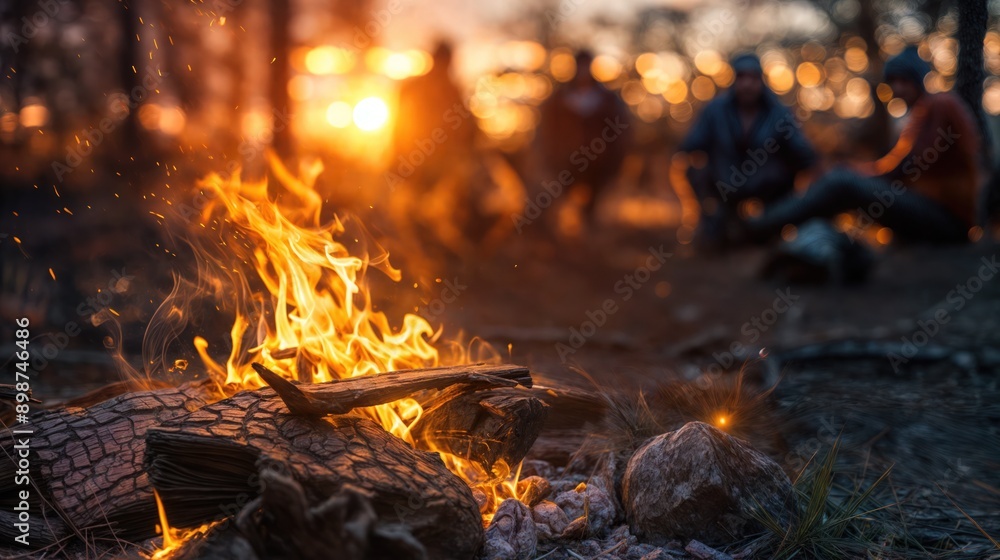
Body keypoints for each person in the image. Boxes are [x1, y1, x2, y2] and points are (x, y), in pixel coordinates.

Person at [748, 46, 982, 244]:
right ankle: (797, 240)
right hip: (934, 215)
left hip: (948, 222)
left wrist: (850, 172)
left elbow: (903, 167)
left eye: (904, 81)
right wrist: (851, 171)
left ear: (919, 80)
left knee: (840, 182)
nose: (897, 89)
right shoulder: (920, 114)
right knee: (838, 187)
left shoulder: (940, 104)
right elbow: (897, 167)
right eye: (893, 82)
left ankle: (756, 227)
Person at [680, 53, 818, 250]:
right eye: (741, 77)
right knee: (693, 169)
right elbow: (690, 145)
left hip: (769, 185)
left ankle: (772, 227)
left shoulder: (779, 112)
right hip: (723, 182)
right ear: (734, 81)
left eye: (753, 78)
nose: (747, 84)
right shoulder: (714, 110)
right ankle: (715, 226)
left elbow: (804, 154)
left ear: (761, 81)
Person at [537, 50, 631, 231]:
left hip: (598, 163)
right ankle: (564, 236)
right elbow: (548, 131)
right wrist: (549, 156)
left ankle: (589, 236)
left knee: (591, 205)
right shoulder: (558, 98)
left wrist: (615, 159)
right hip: (565, 161)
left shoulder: (608, 99)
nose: (583, 70)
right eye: (579, 65)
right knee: (561, 202)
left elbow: (621, 131)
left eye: (586, 65)